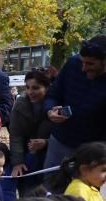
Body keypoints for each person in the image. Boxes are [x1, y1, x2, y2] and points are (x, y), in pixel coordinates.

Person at [44, 36, 106, 170]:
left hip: (92, 152)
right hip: (59, 142)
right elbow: (53, 94)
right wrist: (50, 111)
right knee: (52, 186)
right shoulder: (73, 64)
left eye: (90, 64)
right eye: (82, 62)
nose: (83, 68)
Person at [8, 69, 54, 193]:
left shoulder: (56, 106)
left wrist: (46, 142)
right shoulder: (21, 104)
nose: (30, 92)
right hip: (28, 157)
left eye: (35, 88)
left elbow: (65, 135)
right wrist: (18, 162)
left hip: (50, 157)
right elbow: (16, 134)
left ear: (47, 87)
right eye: (27, 87)